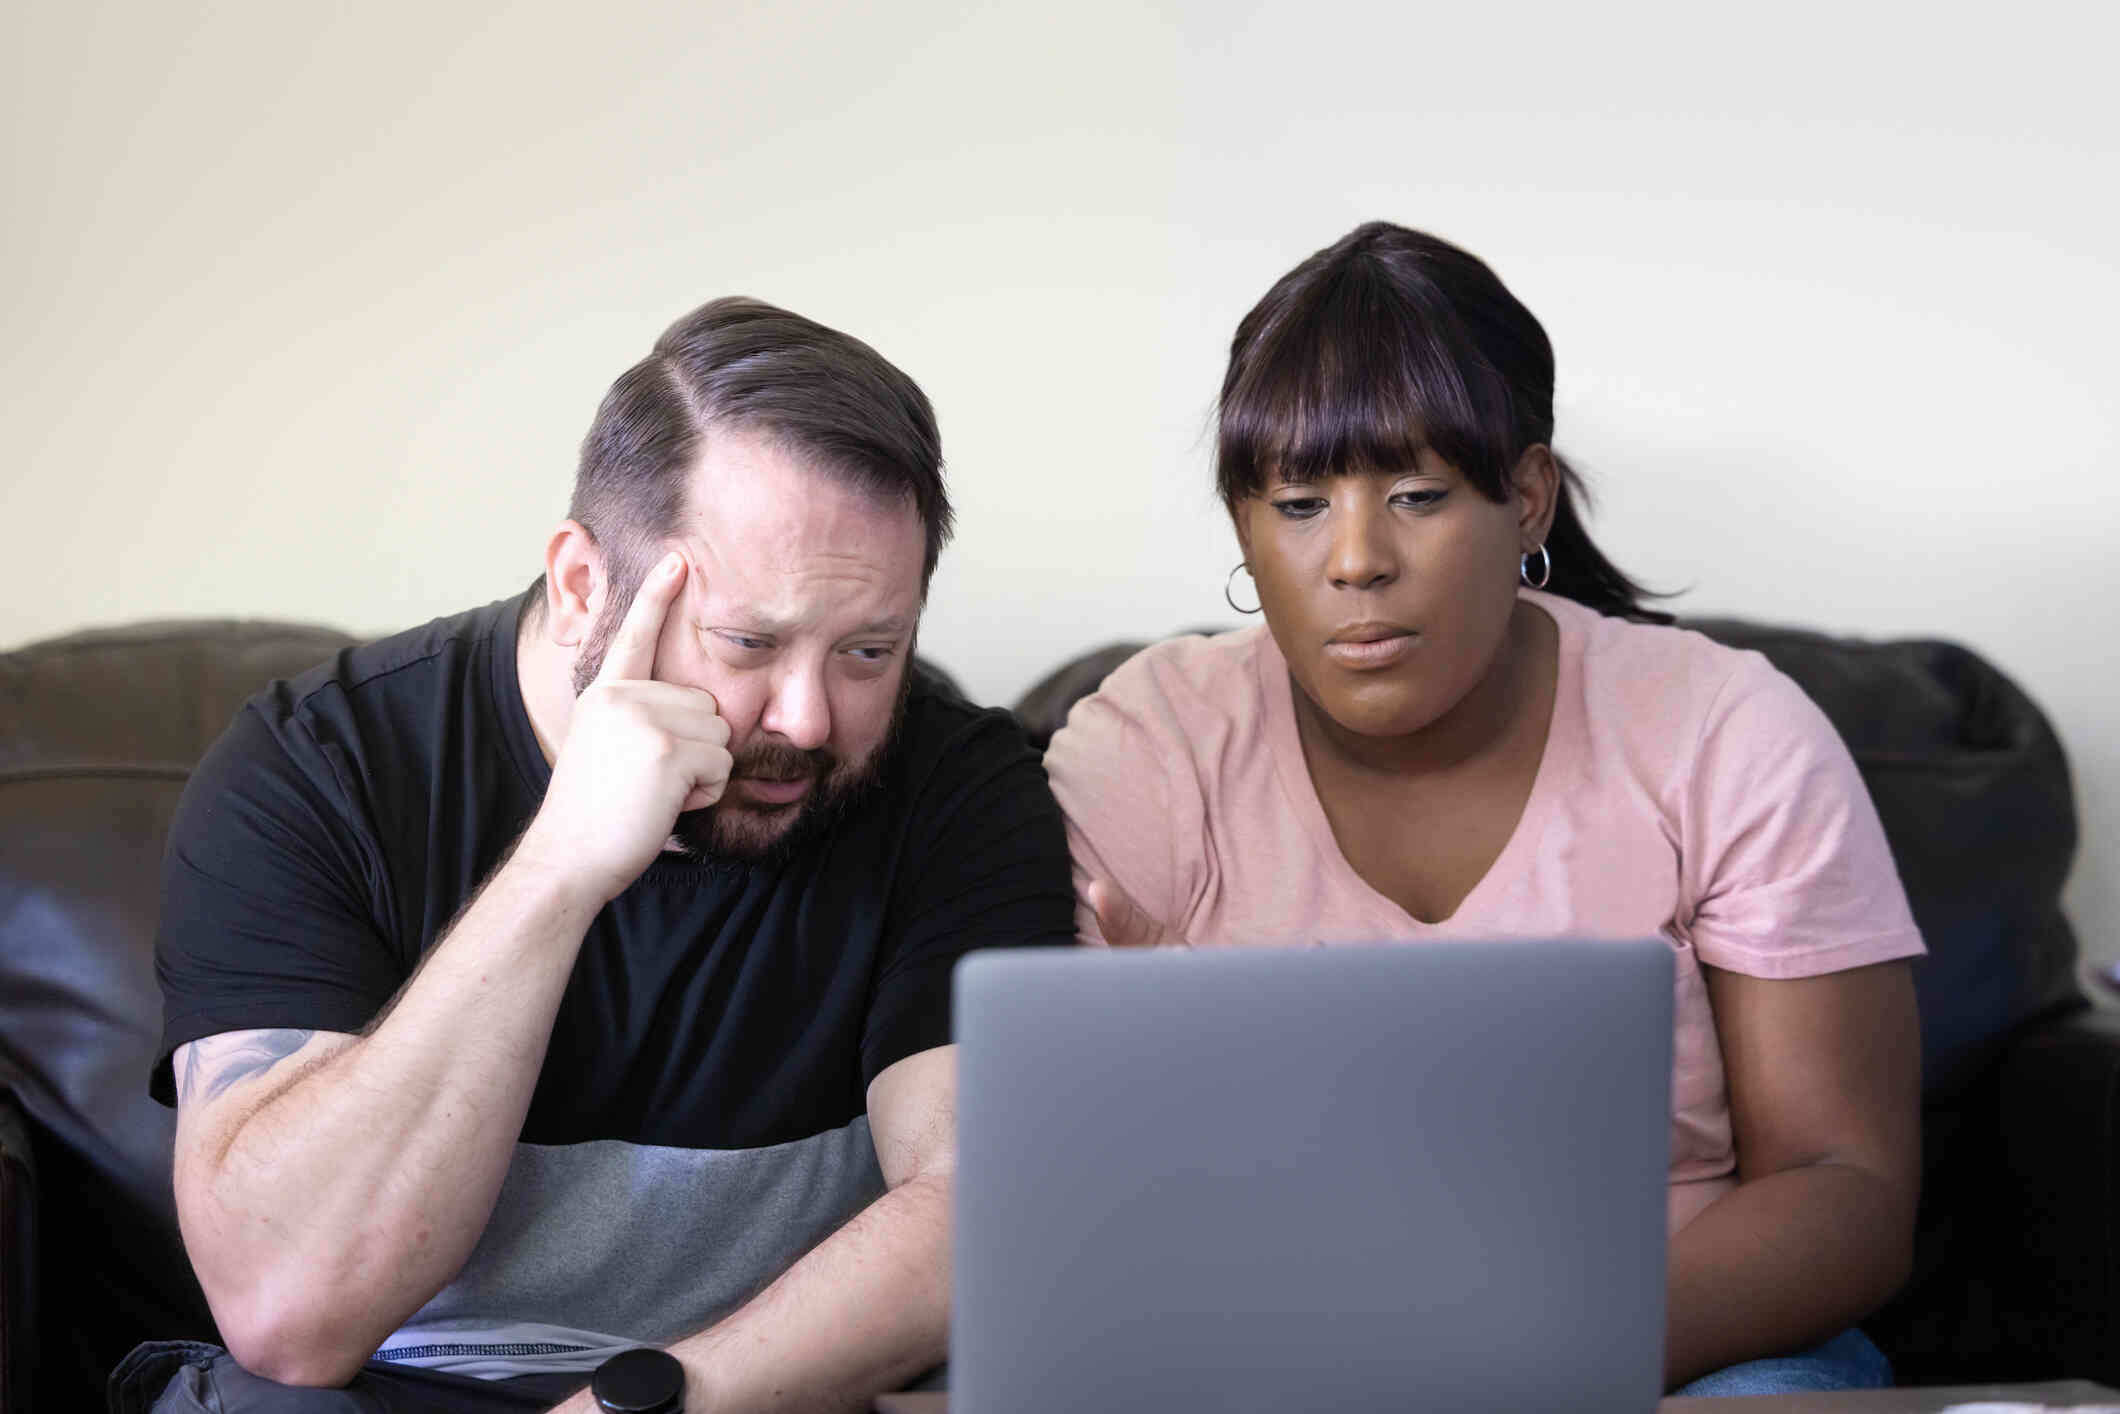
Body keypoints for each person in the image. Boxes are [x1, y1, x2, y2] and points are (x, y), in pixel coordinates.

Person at [118, 297, 1077, 1413]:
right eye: (747, 643)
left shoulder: (957, 787)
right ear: (581, 586)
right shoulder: (317, 770)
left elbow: (977, 1197)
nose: (809, 717)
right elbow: (289, 1318)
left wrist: (649, 1400)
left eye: (870, 648)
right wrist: (560, 867)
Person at [1042, 221, 1924, 1397]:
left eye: (1416, 493)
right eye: (1297, 504)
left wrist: (1528, 1354)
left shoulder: (1727, 732)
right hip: (1262, 1349)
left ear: (1525, 498)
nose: (1354, 560)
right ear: (1243, 524)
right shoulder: (1151, 740)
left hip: (1676, 1354)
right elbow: (1032, 1184)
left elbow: (1840, 1183)